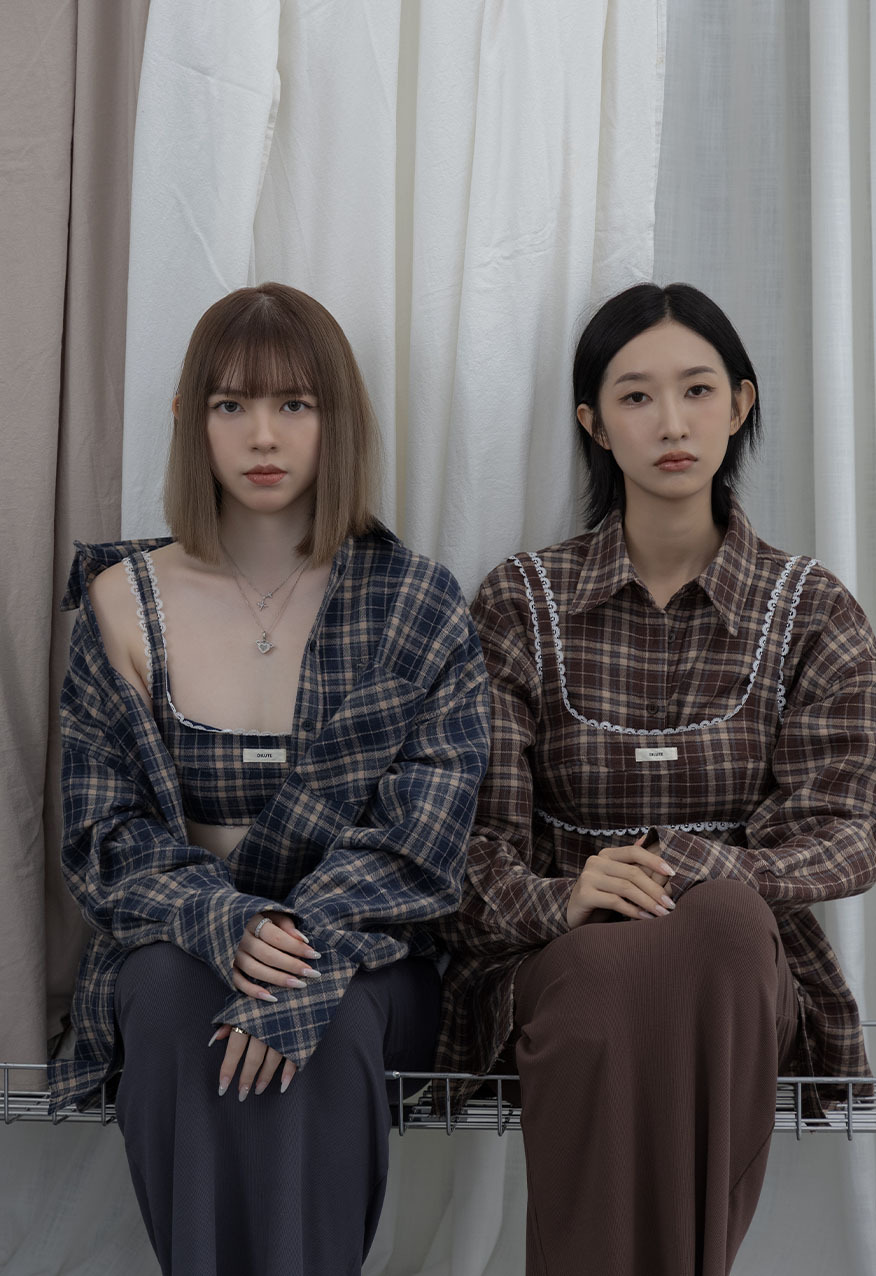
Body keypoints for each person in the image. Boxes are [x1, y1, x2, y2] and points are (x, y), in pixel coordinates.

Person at [49, 282, 491, 1276]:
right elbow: (100, 835)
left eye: (296, 403)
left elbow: (425, 841)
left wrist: (303, 951)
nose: (263, 435)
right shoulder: (121, 602)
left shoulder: (416, 601)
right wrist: (224, 921)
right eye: (231, 404)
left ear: (340, 419)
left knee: (324, 1019)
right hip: (179, 941)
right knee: (171, 994)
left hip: (371, 959)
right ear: (188, 419)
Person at [435, 283, 876, 1276]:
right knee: (604, 980)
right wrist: (569, 896)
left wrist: (698, 866)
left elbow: (849, 831)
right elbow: (467, 846)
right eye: (636, 396)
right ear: (594, 423)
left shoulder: (814, 609)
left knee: (720, 927)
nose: (671, 422)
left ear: (742, 403)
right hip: (560, 956)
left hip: (741, 965)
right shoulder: (519, 602)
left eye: (697, 389)